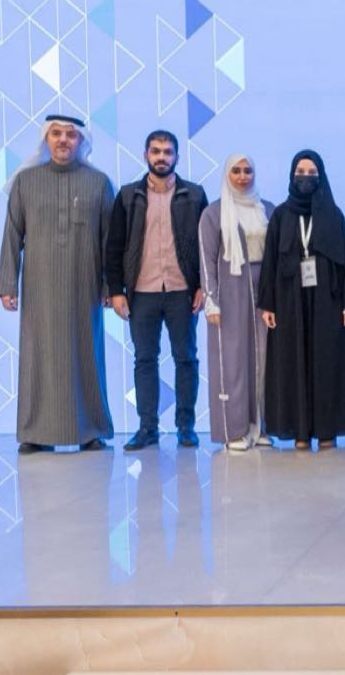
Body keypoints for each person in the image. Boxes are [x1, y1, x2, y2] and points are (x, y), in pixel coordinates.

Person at [0, 115, 115, 453]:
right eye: (57, 134)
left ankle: (91, 431)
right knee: (38, 354)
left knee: (87, 352)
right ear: (46, 139)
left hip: (84, 287)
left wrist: (110, 287)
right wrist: (8, 284)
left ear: (81, 141)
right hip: (39, 288)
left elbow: (109, 241)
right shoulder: (25, 182)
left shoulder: (99, 183)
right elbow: (12, 235)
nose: (63, 140)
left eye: (71, 135)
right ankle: (35, 433)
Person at [107, 130, 208, 451]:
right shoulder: (128, 196)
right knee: (145, 360)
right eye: (155, 151)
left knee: (186, 359)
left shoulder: (194, 195)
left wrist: (204, 286)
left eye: (167, 152)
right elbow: (114, 246)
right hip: (141, 292)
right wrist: (116, 291)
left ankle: (186, 427)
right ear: (145, 155)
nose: (161, 157)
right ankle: (147, 428)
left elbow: (207, 247)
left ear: (177, 156)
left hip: (182, 291)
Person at [258, 150, 345, 450]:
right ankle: (299, 431)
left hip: (327, 297)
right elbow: (270, 261)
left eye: (311, 172)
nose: (306, 178)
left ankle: (327, 430)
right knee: (294, 360)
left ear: (321, 176)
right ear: (292, 176)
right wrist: (268, 303)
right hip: (289, 298)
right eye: (300, 172)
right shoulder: (281, 215)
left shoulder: (333, 214)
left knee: (326, 360)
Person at [198, 154, 275, 452]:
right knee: (232, 360)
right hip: (230, 291)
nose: (243, 176)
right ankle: (234, 430)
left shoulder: (267, 209)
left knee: (264, 357)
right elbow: (206, 259)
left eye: (248, 171)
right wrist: (211, 299)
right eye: (236, 171)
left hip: (263, 290)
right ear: (227, 175)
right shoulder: (213, 213)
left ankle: (261, 426)